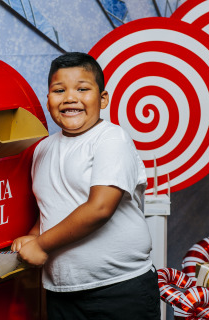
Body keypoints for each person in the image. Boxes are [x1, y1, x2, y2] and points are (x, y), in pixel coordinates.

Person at [11, 52, 160, 319]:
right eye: (59, 90)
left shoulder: (111, 139)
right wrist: (34, 235)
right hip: (62, 291)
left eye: (82, 88)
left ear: (102, 98)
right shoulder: (42, 149)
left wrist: (42, 245)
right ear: (48, 99)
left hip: (120, 289)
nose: (70, 98)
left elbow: (100, 208)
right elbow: (52, 206)